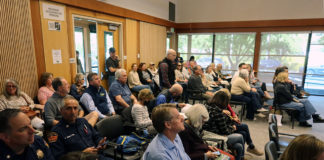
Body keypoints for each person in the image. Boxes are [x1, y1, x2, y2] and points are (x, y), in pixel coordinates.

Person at [204, 89, 263, 158]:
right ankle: (248, 149)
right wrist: (232, 127)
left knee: (242, 137)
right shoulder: (218, 112)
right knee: (242, 132)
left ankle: (244, 152)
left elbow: (227, 120)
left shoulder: (211, 107)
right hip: (217, 135)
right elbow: (225, 131)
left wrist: (233, 119)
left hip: (217, 131)